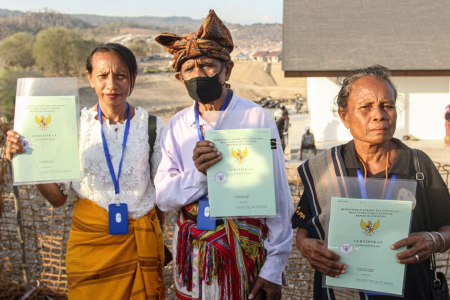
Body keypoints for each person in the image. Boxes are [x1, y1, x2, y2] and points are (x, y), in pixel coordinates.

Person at [6, 43, 166, 300]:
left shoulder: (153, 127)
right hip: (90, 245)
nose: (111, 84)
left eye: (121, 75)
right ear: (89, 78)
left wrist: (157, 238)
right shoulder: (73, 127)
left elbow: (161, 194)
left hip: (140, 244)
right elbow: (58, 199)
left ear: (133, 77)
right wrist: (27, 162)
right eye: (102, 75)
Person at [154, 10, 293, 300]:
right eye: (189, 69)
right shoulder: (178, 126)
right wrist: (200, 175)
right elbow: (165, 198)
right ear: (180, 78)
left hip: (245, 254)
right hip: (193, 259)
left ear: (226, 70)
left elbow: (279, 197)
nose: (198, 74)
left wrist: (274, 268)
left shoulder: (256, 118)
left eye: (207, 66)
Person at [292, 65, 450, 299]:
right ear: (344, 116)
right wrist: (306, 247)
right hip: (342, 289)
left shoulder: (418, 165)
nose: (379, 114)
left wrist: (434, 241)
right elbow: (303, 229)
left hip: (410, 290)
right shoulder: (324, 168)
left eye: (387, 105)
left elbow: (447, 226)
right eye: (365, 107)